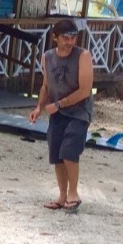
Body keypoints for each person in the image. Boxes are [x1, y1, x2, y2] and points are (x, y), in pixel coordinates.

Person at [30, 19, 94, 210]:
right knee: (57, 153)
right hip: (57, 112)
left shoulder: (83, 56)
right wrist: (39, 107)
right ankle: (62, 196)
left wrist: (59, 104)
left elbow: (85, 90)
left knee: (69, 150)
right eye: (65, 38)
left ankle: (73, 194)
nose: (70, 42)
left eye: (73, 37)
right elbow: (46, 86)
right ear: (55, 37)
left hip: (79, 112)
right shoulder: (47, 57)